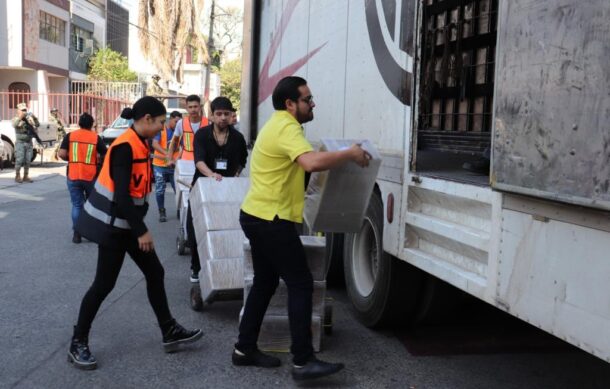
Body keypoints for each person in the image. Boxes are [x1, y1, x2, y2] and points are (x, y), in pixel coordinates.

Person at [234, 77, 371, 381]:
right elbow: (309, 163)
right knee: (300, 283)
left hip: (258, 215)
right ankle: (303, 360)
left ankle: (244, 349)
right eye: (307, 99)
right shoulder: (286, 126)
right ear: (290, 104)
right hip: (271, 220)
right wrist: (349, 154)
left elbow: (300, 168)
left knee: (265, 282)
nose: (313, 104)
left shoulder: (279, 125)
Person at [68, 97, 203, 370]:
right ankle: (77, 341)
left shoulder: (140, 142)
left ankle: (168, 331)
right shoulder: (124, 147)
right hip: (114, 228)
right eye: (161, 123)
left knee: (155, 273)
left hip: (128, 225)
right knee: (103, 285)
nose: (163, 128)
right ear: (146, 120)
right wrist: (142, 231)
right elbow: (120, 196)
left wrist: (138, 227)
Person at [185, 96, 248, 283]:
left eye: (226, 114)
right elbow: (199, 161)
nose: (222, 118)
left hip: (226, 192)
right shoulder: (202, 135)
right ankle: (196, 268)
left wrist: (235, 176)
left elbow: (242, 161)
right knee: (195, 228)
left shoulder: (237, 138)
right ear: (211, 116)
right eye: (218, 114)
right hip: (203, 189)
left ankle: (227, 271)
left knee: (226, 229)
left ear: (231, 116)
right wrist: (211, 175)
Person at [57, 113, 107, 244]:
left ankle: (77, 234)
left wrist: (71, 159)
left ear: (79, 123)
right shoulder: (95, 138)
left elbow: (61, 153)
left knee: (77, 205)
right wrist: (100, 164)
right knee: (93, 205)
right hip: (90, 176)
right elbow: (106, 154)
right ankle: (92, 233)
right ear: (91, 124)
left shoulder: (70, 136)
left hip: (73, 175)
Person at [151, 110, 182, 222]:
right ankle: (162, 211)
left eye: (180, 122)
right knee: (160, 189)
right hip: (160, 165)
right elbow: (155, 144)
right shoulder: (161, 129)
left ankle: (180, 210)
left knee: (178, 189)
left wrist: (176, 160)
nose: (178, 124)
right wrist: (168, 154)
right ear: (170, 119)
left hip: (174, 166)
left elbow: (182, 148)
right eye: (176, 121)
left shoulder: (180, 132)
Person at [166, 95, 209, 164]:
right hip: (186, 161)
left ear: (200, 107)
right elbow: (174, 142)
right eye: (190, 107)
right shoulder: (181, 123)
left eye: (195, 106)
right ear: (186, 108)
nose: (193, 109)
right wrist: (170, 159)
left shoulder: (208, 123)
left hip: (204, 161)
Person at [11, 102, 40, 183]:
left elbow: (37, 125)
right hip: (20, 142)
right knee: (19, 160)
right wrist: (20, 117)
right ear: (18, 111)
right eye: (22, 110)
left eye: (25, 110)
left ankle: (25, 176)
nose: (24, 111)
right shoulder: (15, 119)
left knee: (28, 160)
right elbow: (14, 124)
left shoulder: (29, 119)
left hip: (29, 142)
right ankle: (17, 175)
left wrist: (34, 117)